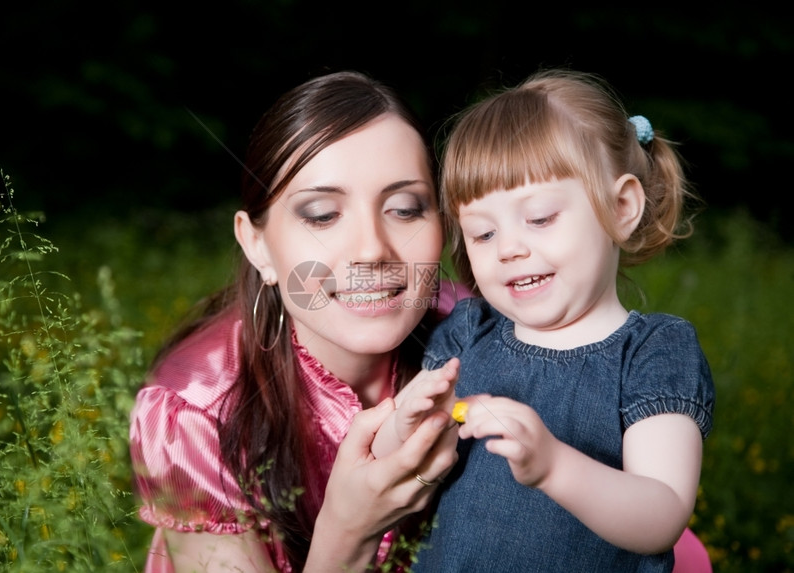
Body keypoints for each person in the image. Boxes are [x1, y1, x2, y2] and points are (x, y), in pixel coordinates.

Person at [128, 70, 462, 573]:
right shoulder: (194, 412)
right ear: (256, 243)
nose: (372, 249)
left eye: (405, 208)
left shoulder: (484, 335)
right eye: (323, 215)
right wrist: (347, 533)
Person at [409, 69, 716, 572]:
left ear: (621, 208)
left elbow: (662, 515)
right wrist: (408, 426)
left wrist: (553, 466)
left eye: (540, 218)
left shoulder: (654, 351)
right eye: (482, 233)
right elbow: (409, 461)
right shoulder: (470, 331)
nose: (509, 248)